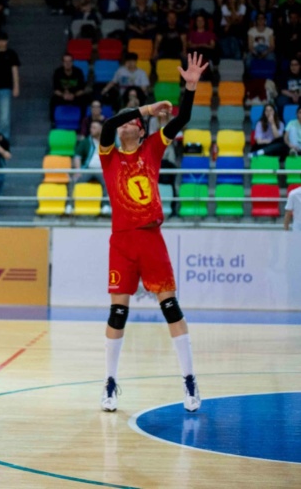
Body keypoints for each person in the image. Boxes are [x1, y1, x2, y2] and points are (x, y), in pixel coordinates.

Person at [99, 52, 207, 414]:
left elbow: (183, 118)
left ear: (141, 131)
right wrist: (145, 108)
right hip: (122, 241)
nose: (124, 125)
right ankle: (109, 382)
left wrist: (190, 87)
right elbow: (109, 122)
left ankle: (189, 380)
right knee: (118, 313)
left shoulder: (153, 148)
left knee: (171, 307)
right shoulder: (109, 156)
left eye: (132, 122)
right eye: (126, 121)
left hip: (150, 239)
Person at [49, 53, 89, 121]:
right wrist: (63, 95)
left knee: (84, 99)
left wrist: (73, 95)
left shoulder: (78, 72)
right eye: (65, 61)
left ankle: (83, 121)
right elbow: (55, 90)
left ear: (72, 62)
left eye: (69, 61)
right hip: (62, 96)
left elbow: (82, 89)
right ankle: (53, 121)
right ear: (62, 63)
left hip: (75, 96)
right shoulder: (57, 72)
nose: (67, 63)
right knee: (53, 100)